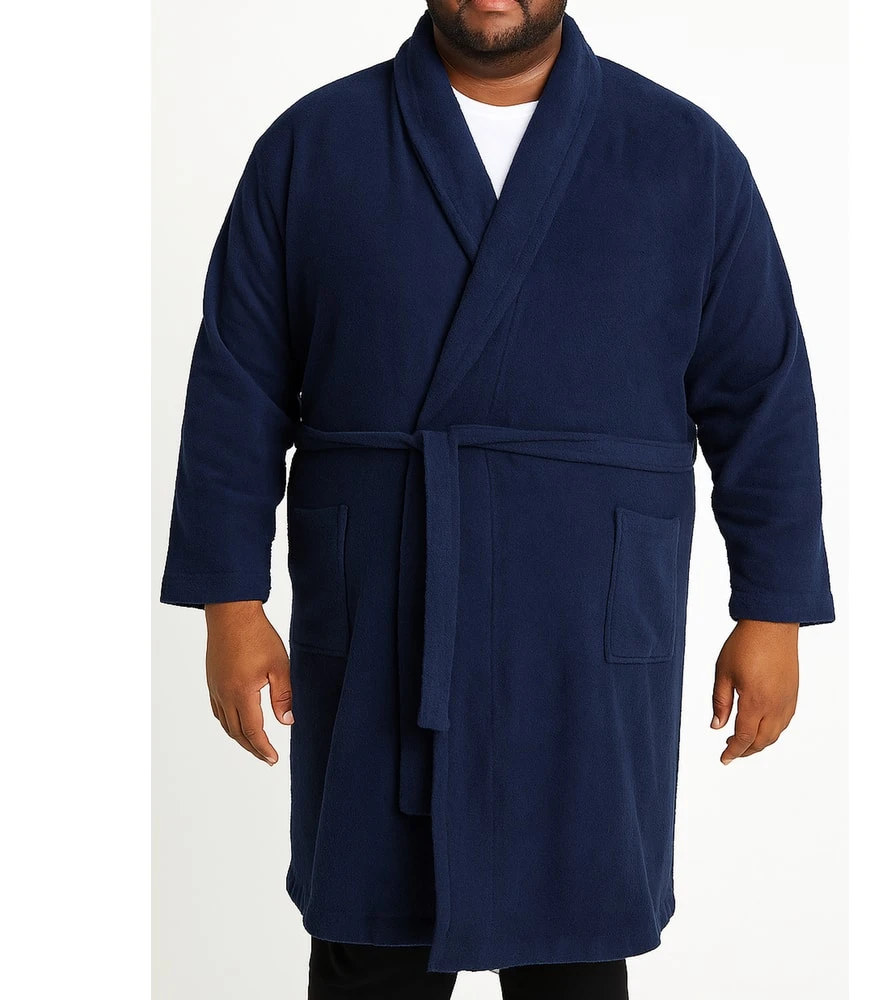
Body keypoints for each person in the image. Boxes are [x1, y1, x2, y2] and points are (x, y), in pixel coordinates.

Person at [160, 1, 836, 996]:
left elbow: (762, 397)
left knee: (576, 944)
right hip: (384, 612)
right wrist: (230, 601)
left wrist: (773, 609)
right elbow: (238, 387)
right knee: (368, 941)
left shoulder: (684, 156)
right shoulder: (312, 147)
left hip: (583, 626)